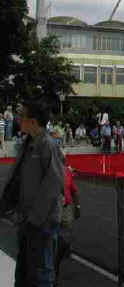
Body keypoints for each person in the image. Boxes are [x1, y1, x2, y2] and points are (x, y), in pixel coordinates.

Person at [0, 100, 64, 287]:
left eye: (22, 116)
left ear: (33, 121)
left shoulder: (47, 145)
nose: (18, 119)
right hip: (28, 219)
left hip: (41, 222)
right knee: (25, 270)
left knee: (41, 273)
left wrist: (35, 217)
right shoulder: (29, 143)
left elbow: (54, 183)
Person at [55, 153, 81, 286]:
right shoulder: (51, 171)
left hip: (65, 208)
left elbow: (74, 190)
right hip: (54, 208)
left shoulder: (67, 172)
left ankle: (61, 253)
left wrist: (77, 206)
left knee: (64, 234)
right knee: (58, 235)